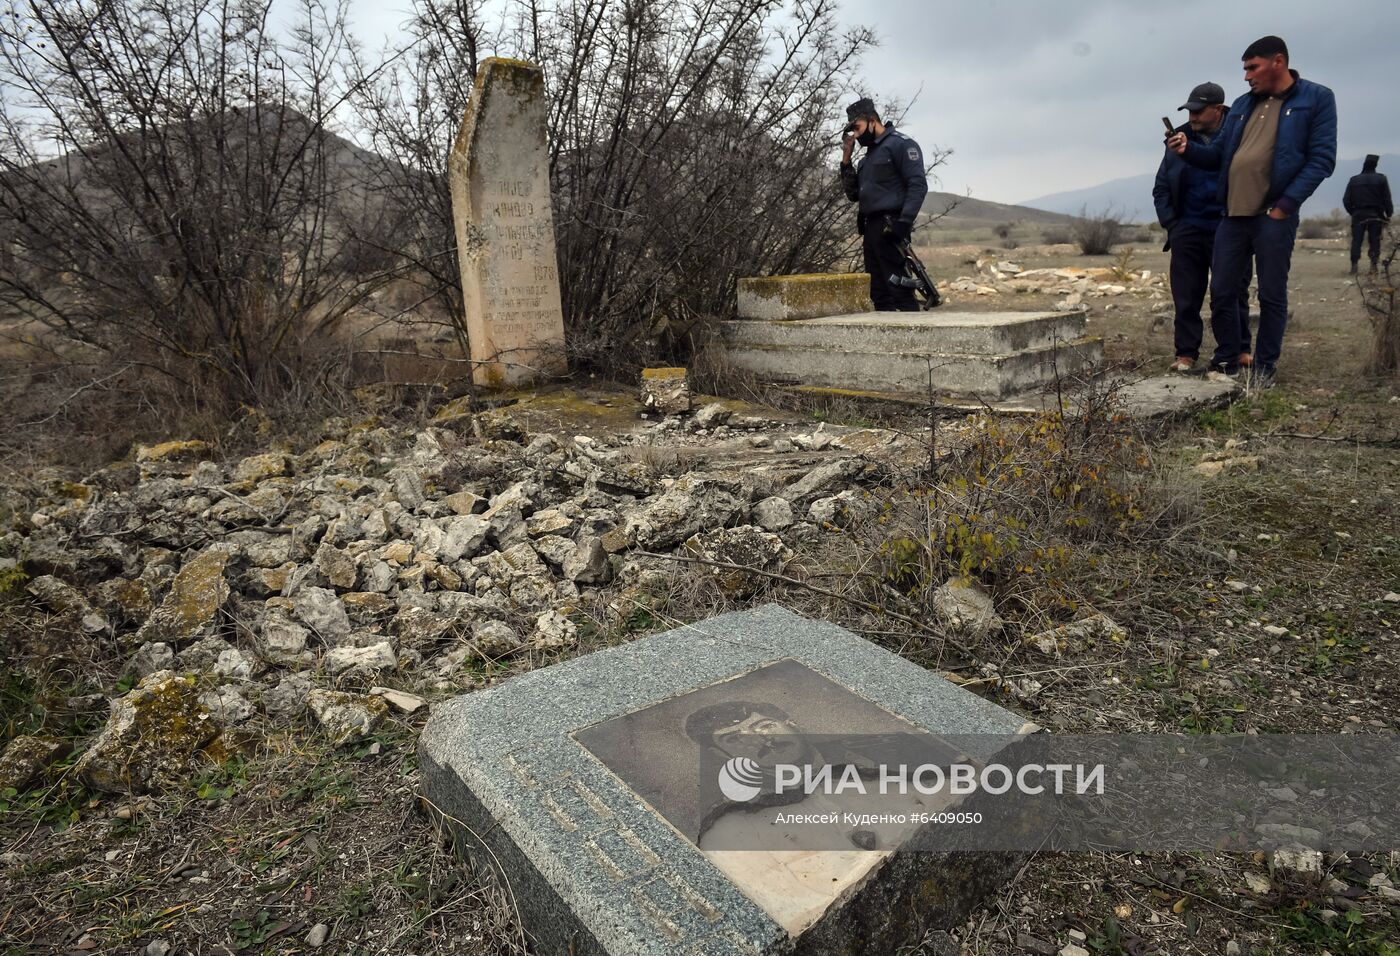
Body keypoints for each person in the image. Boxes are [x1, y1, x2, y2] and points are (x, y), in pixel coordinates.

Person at [1168, 36, 1337, 388]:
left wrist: (1285, 206)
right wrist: (1187, 150)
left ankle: (1265, 368)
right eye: (1244, 69)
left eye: (1252, 67)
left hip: (1272, 214)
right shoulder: (1244, 104)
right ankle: (1228, 357)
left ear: (1278, 62)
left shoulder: (1316, 98)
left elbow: (1321, 160)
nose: (1246, 76)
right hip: (1232, 215)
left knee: (1271, 293)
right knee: (1224, 291)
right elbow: (1218, 157)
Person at [1153, 81, 1252, 373]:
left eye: (1198, 112)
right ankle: (1186, 354)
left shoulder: (1241, 133)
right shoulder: (1178, 139)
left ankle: (1239, 349)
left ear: (1218, 109)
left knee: (1233, 292)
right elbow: (1161, 187)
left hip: (1230, 226)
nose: (1192, 117)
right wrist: (1173, 225)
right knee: (1186, 295)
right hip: (1188, 229)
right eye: (1189, 111)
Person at [839, 98, 929, 311]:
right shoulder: (866, 159)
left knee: (899, 288)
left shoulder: (901, 144)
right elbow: (853, 194)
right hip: (871, 229)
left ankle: (911, 340)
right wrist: (846, 159)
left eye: (858, 128)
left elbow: (917, 185)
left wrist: (904, 222)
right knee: (878, 293)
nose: (856, 135)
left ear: (872, 121)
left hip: (892, 226)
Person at [1343, 155, 1392, 275]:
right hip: (1376, 214)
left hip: (1358, 214)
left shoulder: (1354, 180)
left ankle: (1354, 266)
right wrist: (1388, 214)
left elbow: (1346, 200)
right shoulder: (1381, 179)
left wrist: (1353, 213)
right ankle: (1373, 267)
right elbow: (1387, 199)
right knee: (1375, 241)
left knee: (1356, 241)